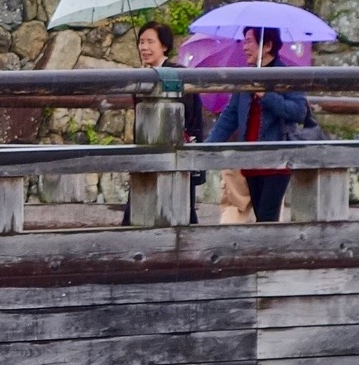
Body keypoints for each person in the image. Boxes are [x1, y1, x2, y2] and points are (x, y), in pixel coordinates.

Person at [209, 27, 315, 224]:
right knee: (261, 218)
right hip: (250, 160)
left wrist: (266, 96)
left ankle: (269, 254)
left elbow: (298, 111)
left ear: (267, 46)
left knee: (267, 218)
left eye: (249, 41)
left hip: (278, 161)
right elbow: (229, 117)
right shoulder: (246, 77)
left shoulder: (288, 76)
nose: (245, 47)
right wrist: (205, 149)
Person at [121, 23, 203, 227]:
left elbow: (189, 115)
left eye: (150, 42)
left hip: (177, 150)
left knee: (182, 209)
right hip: (148, 150)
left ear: (164, 46)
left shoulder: (177, 73)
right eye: (141, 42)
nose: (144, 47)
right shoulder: (142, 76)